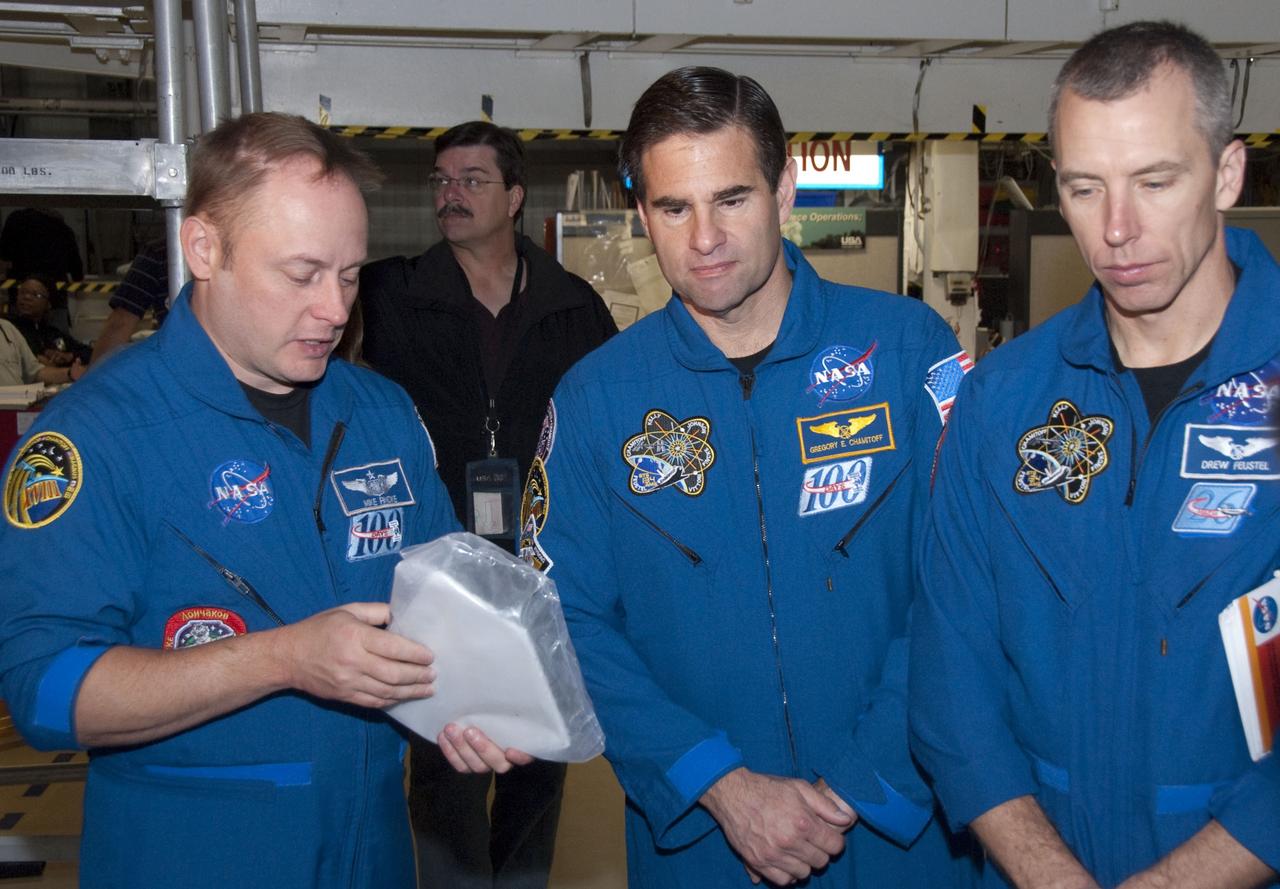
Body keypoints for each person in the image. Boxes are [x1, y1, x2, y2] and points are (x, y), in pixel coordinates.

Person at [0, 112, 528, 889]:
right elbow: (42, 689)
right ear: (205, 248)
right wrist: (282, 659)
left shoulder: (380, 413)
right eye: (302, 273)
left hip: (371, 852)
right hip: (190, 859)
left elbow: (439, 601)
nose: (335, 309)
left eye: (350, 275)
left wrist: (469, 694)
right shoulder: (97, 435)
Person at [517, 66, 979, 888]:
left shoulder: (910, 354)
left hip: (905, 827)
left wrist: (860, 783)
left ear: (785, 190)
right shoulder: (597, 399)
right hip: (702, 841)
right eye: (673, 207)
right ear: (641, 214)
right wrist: (718, 784)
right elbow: (565, 618)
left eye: (732, 198)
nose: (704, 238)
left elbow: (968, 584)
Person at [910, 20, 1279, 889]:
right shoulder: (1004, 401)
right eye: (1084, 188)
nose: (1116, 229)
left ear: (1226, 175)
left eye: (1155, 181)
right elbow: (950, 681)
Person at [360, 120, 616, 889]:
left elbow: (604, 437)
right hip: (438, 572)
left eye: (472, 180)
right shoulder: (386, 295)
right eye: (441, 180)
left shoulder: (575, 307)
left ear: (513, 196)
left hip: (544, 574)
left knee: (538, 767)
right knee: (447, 769)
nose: (451, 194)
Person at [90, 239, 170, 365]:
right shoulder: (159, 253)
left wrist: (92, 380)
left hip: (179, 369)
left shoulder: (158, 253)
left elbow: (120, 324)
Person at [8, 273, 91, 367]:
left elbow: (88, 352)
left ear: (48, 303)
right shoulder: (8, 328)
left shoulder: (53, 334)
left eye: (36, 295)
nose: (27, 297)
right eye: (22, 292)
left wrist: (69, 356)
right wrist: (38, 357)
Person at [0, 207, 83, 283]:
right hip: (54, 285)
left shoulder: (16, 219)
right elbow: (75, 264)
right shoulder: (64, 230)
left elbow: (4, 254)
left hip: (22, 282)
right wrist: (78, 281)